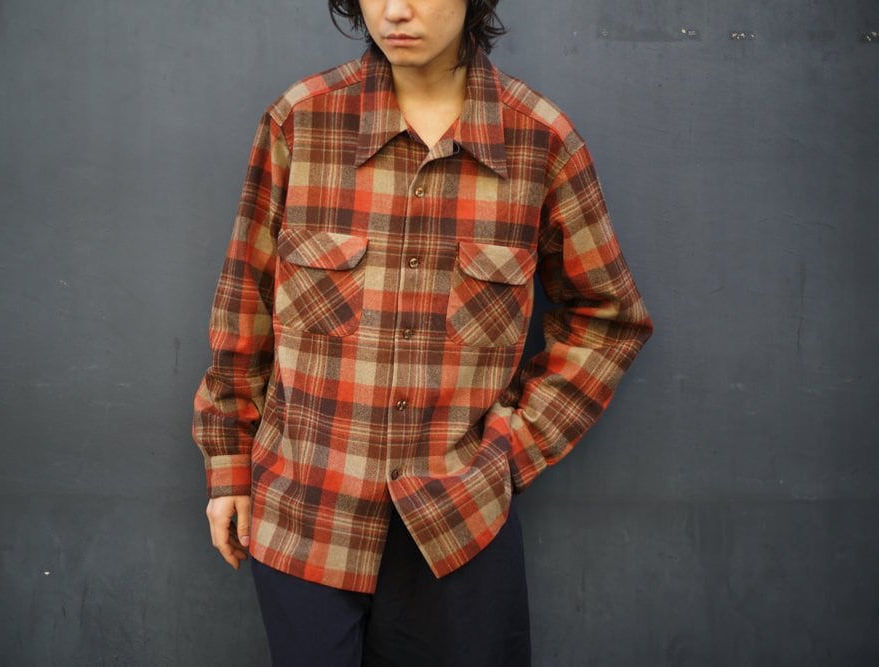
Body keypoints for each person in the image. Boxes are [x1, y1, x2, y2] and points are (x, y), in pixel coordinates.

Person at [193, 1, 653, 664]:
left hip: (459, 526)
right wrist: (228, 463)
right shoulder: (301, 121)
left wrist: (508, 454)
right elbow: (246, 301)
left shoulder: (541, 141)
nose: (395, 10)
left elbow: (608, 318)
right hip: (304, 516)